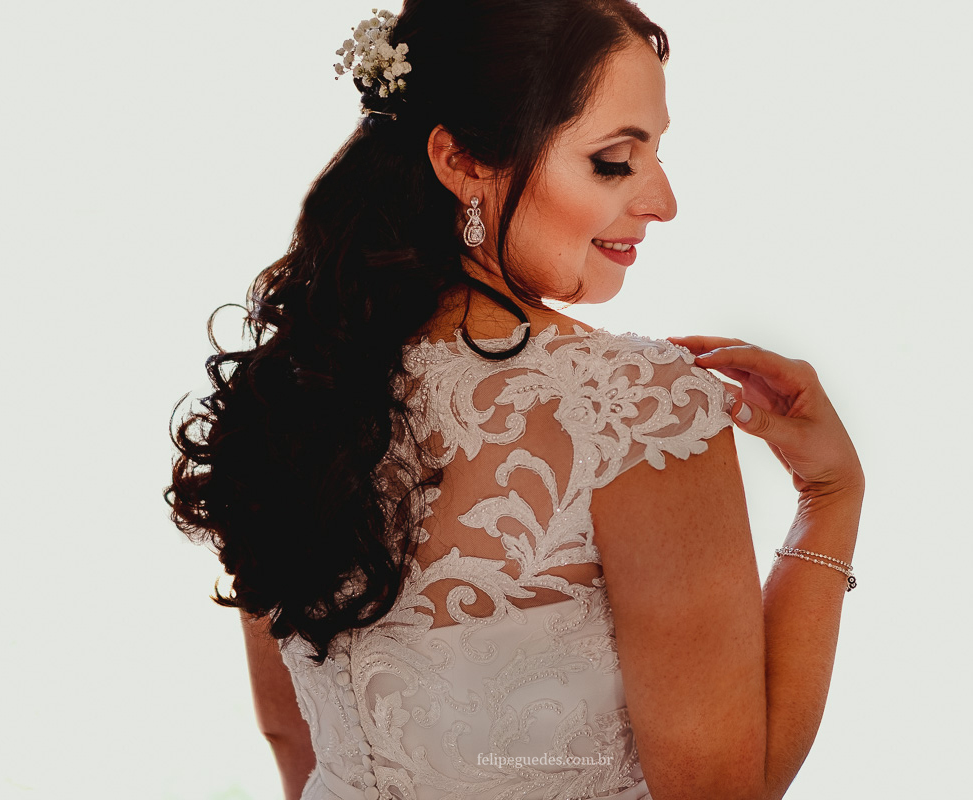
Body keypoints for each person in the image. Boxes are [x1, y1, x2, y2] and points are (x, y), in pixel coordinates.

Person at [167, 1, 864, 798]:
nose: (662, 201)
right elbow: (722, 792)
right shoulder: (638, 411)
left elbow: (291, 735)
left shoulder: (289, 393)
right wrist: (830, 499)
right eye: (614, 160)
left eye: (657, 153)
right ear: (461, 159)